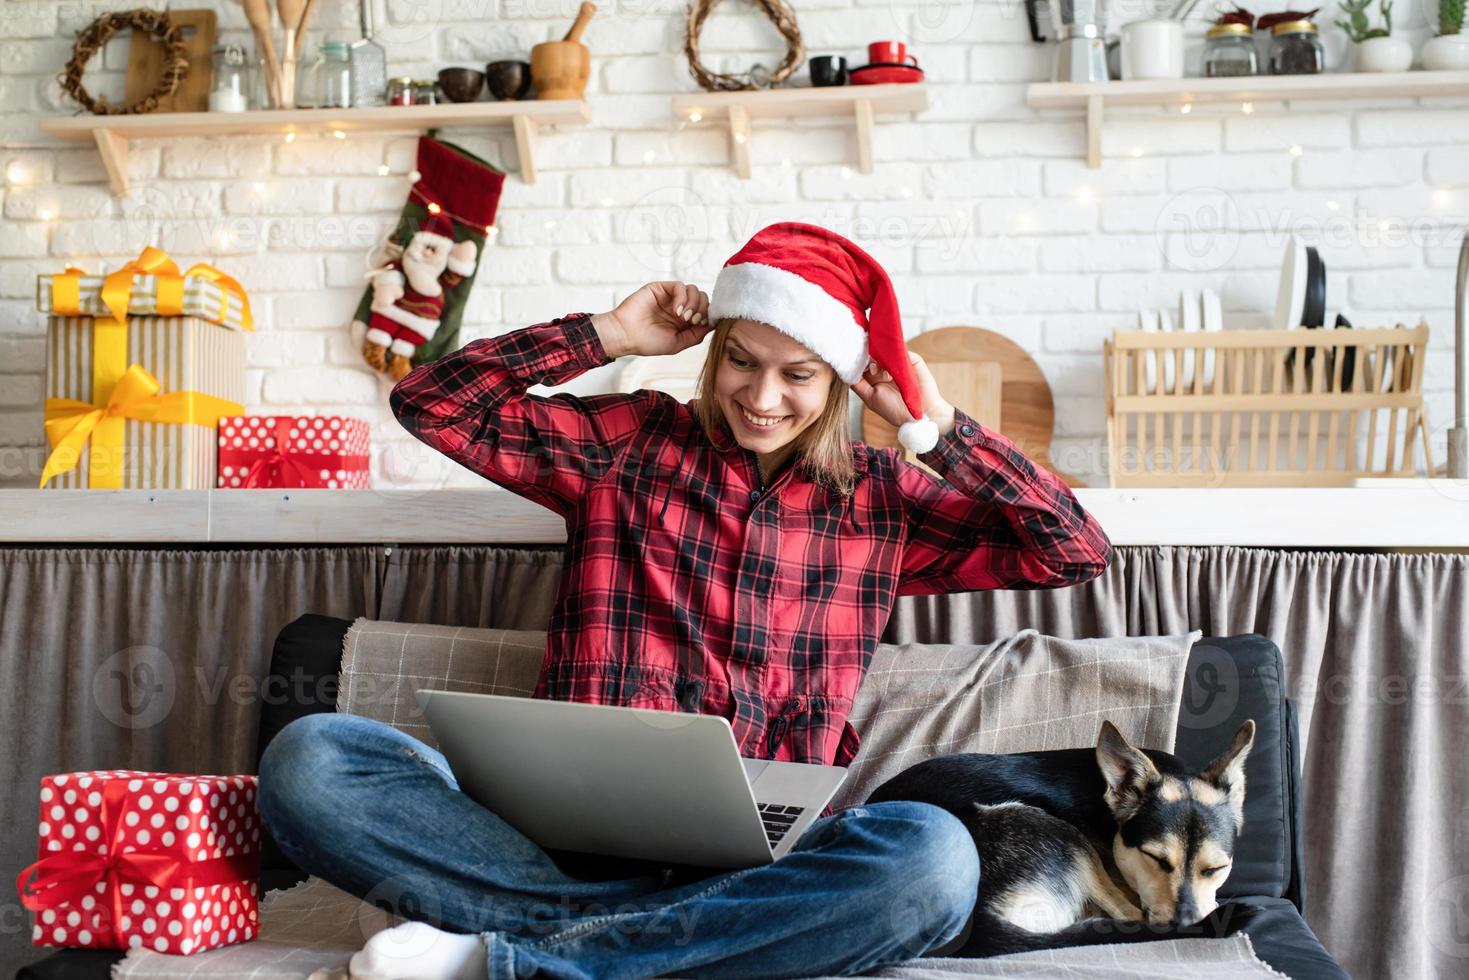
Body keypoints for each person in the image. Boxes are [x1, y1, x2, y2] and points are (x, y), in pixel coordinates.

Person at [258, 222, 1113, 979]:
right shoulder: (627, 444)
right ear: (714, 350)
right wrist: (607, 334)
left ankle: (509, 958)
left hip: (758, 870)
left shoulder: (881, 498)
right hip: (553, 847)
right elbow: (432, 404)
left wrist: (938, 428)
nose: (761, 396)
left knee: (933, 862)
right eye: (741, 359)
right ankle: (658, 947)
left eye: (798, 375)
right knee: (313, 759)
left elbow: (1073, 551)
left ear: (840, 384)